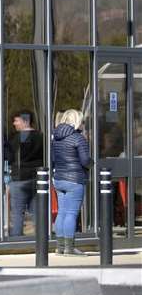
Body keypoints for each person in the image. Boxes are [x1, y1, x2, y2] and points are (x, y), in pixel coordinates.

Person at [50, 109, 92, 256]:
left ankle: (60, 247)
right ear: (77, 121)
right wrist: (93, 164)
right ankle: (69, 248)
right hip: (74, 179)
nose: (83, 124)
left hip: (59, 179)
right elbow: (85, 160)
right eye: (82, 121)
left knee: (62, 212)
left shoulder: (55, 137)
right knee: (71, 214)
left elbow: (53, 160)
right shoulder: (78, 138)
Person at [5, 110, 44, 237]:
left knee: (17, 213)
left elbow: (10, 158)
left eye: (16, 120)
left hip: (19, 179)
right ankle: (41, 239)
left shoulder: (16, 139)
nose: (14, 123)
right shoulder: (40, 136)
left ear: (25, 121)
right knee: (38, 212)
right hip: (37, 178)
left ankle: (17, 241)